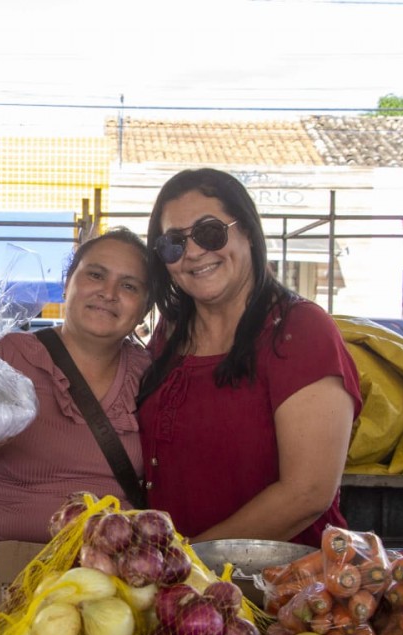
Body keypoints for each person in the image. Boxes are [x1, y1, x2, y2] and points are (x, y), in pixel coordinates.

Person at [137, 168, 362, 548]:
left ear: (248, 234)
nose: (192, 252)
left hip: (277, 589)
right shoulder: (169, 335)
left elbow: (307, 493)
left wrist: (189, 562)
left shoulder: (300, 330)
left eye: (209, 232)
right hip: (177, 589)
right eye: (173, 243)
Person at [0, 228, 152, 542]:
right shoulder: (6, 357)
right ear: (67, 284)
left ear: (144, 308)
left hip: (114, 578)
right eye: (95, 274)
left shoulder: (152, 375)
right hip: (9, 569)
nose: (109, 292)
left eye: (129, 285)